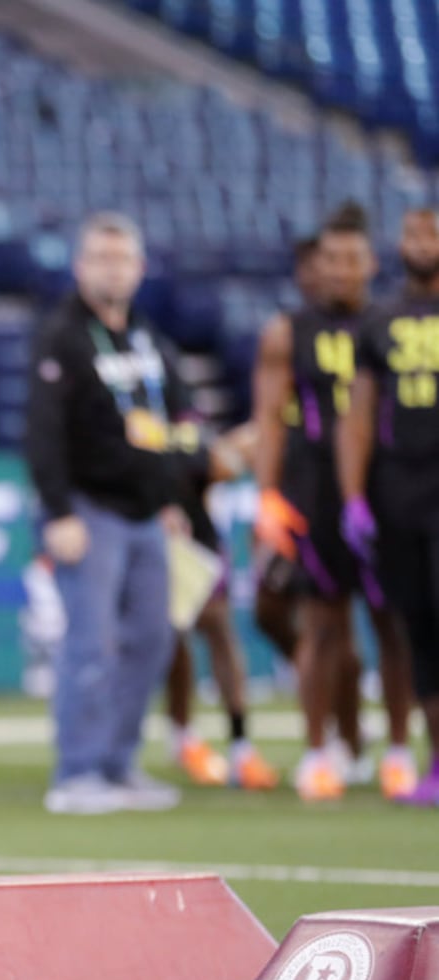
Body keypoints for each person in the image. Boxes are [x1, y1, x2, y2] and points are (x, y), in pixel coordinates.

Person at [25, 213, 205, 816]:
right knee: (91, 641)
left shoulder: (149, 339)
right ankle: (76, 772)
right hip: (88, 508)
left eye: (122, 258)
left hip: (147, 514)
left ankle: (118, 763)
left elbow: (178, 424)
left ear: (140, 268)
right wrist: (57, 511)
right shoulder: (62, 336)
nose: (112, 268)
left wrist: (174, 501)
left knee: (152, 639)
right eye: (100, 257)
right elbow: (43, 432)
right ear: (80, 267)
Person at [253, 204, 417, 801]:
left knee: (392, 625)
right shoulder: (287, 332)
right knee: (321, 626)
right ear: (315, 264)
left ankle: (399, 751)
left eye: (352, 259)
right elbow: (269, 419)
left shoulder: (395, 325)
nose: (341, 270)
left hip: (386, 490)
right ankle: (319, 752)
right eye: (330, 259)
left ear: (371, 262)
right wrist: (267, 495)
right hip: (313, 491)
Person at [339, 206, 439, 805]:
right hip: (399, 495)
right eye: (411, 233)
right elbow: (357, 414)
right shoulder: (379, 319)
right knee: (419, 631)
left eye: (431, 232)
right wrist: (353, 496)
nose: (420, 243)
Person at [164, 420, 279, 789]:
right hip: (150, 524)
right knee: (171, 638)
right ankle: (182, 736)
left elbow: (223, 461)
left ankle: (241, 743)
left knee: (217, 627)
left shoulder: (165, 381)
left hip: (195, 532)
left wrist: (223, 454)